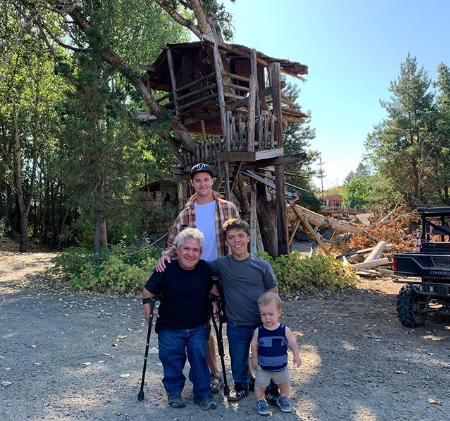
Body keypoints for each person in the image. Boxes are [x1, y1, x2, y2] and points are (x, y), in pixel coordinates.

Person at [156, 162, 239, 394]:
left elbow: (237, 239)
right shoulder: (186, 213)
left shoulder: (228, 209)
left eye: (206, 179)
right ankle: (214, 374)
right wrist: (165, 257)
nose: (202, 184)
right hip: (198, 274)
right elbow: (174, 243)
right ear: (192, 183)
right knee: (204, 327)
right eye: (198, 180)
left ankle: (245, 375)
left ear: (212, 182)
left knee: (236, 323)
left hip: (224, 271)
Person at [142, 228, 218, 410]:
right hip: (169, 326)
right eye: (186, 249)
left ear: (200, 252)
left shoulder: (204, 268)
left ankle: (202, 394)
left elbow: (213, 288)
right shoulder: (166, 268)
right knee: (172, 361)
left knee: (199, 360)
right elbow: (148, 290)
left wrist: (215, 302)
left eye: (195, 250)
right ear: (177, 249)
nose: (190, 254)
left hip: (197, 326)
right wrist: (148, 312)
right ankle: (174, 393)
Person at [208, 219, 279, 402]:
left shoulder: (261, 265)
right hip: (236, 323)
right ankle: (241, 385)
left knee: (266, 358)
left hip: (261, 323)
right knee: (238, 358)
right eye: (231, 237)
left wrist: (271, 316)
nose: (236, 240)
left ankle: (271, 389)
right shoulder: (221, 264)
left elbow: (272, 290)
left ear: (248, 237)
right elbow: (199, 272)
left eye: (241, 236)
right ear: (226, 242)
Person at [250, 292, 302, 415]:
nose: (267, 318)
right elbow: (254, 344)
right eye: (263, 314)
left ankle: (284, 398)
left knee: (284, 384)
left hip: (281, 367)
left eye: (271, 314)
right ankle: (260, 400)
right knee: (260, 385)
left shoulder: (284, 330)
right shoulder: (259, 331)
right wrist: (255, 358)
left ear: (279, 313)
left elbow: (292, 342)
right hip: (264, 367)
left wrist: (296, 355)